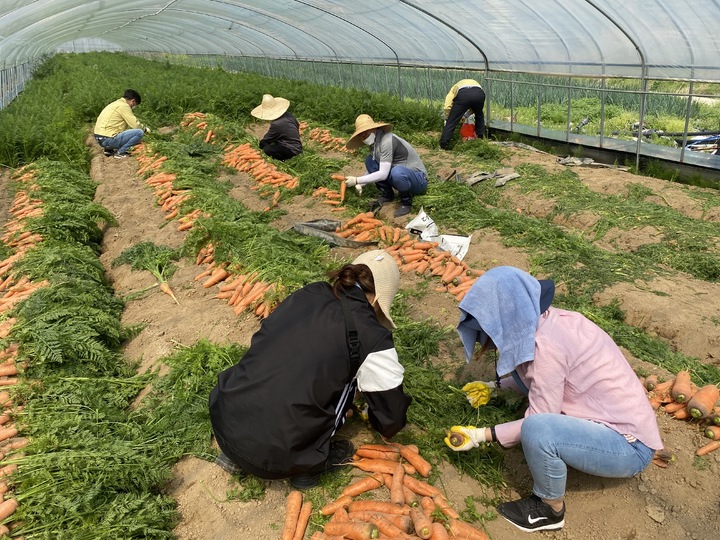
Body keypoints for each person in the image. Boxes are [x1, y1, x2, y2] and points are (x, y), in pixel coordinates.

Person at [446, 266, 662, 533]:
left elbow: (539, 416)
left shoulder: (547, 348)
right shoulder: (550, 321)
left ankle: (549, 508)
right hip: (612, 424)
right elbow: (539, 377)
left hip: (627, 447)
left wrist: (481, 435)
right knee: (538, 425)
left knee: (538, 429)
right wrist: (494, 386)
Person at [209, 250, 411, 489]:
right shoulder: (373, 337)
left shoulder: (311, 291)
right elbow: (392, 418)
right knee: (344, 390)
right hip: (273, 457)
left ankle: (237, 451)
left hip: (225, 418)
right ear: (378, 300)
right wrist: (375, 416)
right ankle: (310, 465)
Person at [343, 114, 428, 218]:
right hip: (401, 176)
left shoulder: (387, 140)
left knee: (397, 172)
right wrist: (361, 184)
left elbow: (383, 174)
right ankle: (387, 195)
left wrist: (357, 180)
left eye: (366, 132)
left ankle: (406, 202)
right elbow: (376, 167)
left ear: (374, 129)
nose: (363, 136)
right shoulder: (375, 144)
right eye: (361, 134)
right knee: (370, 161)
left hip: (418, 180)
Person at [93, 89, 150, 159]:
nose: (133, 107)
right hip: (107, 139)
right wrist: (144, 129)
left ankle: (108, 150)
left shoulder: (115, 104)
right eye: (135, 105)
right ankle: (119, 152)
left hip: (99, 138)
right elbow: (135, 125)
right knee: (139, 132)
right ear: (133, 101)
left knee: (116, 128)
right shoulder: (124, 106)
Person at [250, 94, 302, 161]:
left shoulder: (277, 124)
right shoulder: (288, 114)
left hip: (292, 150)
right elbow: (297, 125)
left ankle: (283, 159)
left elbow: (267, 139)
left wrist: (261, 144)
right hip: (298, 146)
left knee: (266, 148)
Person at [439, 79, 486, 150]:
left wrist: (448, 117)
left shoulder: (454, 88)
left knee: (451, 122)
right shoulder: (475, 83)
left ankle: (443, 145)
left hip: (464, 95)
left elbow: (447, 106)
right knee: (479, 116)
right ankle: (479, 140)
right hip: (479, 94)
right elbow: (474, 108)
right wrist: (465, 116)